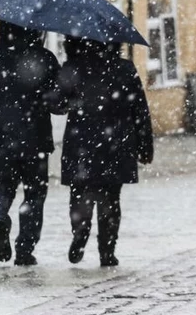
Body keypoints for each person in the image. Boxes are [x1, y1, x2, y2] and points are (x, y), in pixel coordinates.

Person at [0, 21, 63, 266]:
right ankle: (25, 248)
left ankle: (0, 217)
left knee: (0, 188)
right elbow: (58, 103)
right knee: (34, 195)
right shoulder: (44, 58)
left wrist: (0, 107)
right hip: (36, 140)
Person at [58, 38, 153, 268]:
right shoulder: (124, 68)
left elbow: (56, 104)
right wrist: (144, 145)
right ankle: (107, 251)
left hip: (81, 143)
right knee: (110, 198)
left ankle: (80, 232)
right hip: (116, 144)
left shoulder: (73, 68)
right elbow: (139, 108)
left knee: (80, 194)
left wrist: (69, 95)